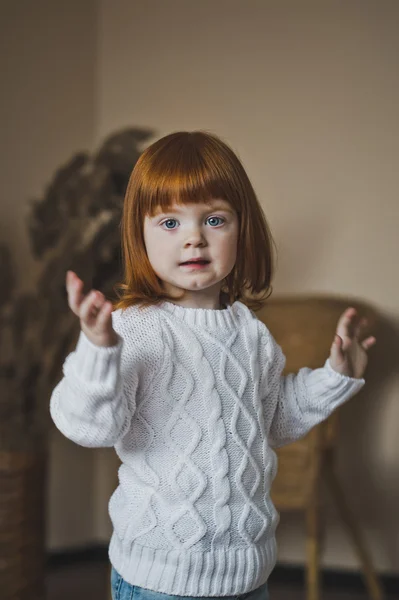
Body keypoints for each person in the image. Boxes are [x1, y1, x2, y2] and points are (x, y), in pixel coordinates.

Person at [50, 131, 376, 600]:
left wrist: (335, 377)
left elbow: (271, 419)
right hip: (161, 578)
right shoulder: (134, 329)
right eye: (169, 223)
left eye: (215, 219)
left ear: (243, 229)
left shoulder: (249, 332)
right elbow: (89, 426)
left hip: (248, 573)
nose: (194, 239)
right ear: (139, 235)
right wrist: (99, 350)